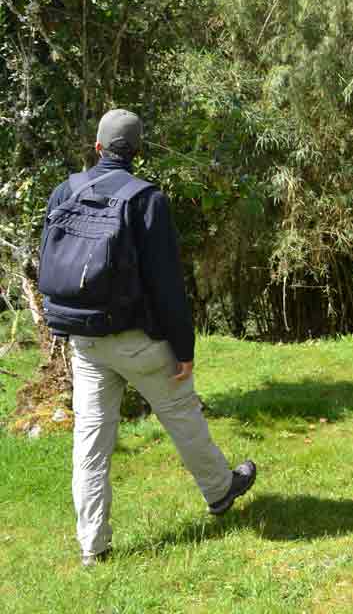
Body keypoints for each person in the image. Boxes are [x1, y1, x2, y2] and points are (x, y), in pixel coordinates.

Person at [38, 109, 256, 567]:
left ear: (97, 148)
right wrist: (184, 349)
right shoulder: (146, 199)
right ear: (137, 152)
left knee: (90, 441)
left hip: (84, 339)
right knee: (181, 414)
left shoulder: (65, 190)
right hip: (137, 340)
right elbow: (167, 286)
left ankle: (92, 546)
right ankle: (220, 491)